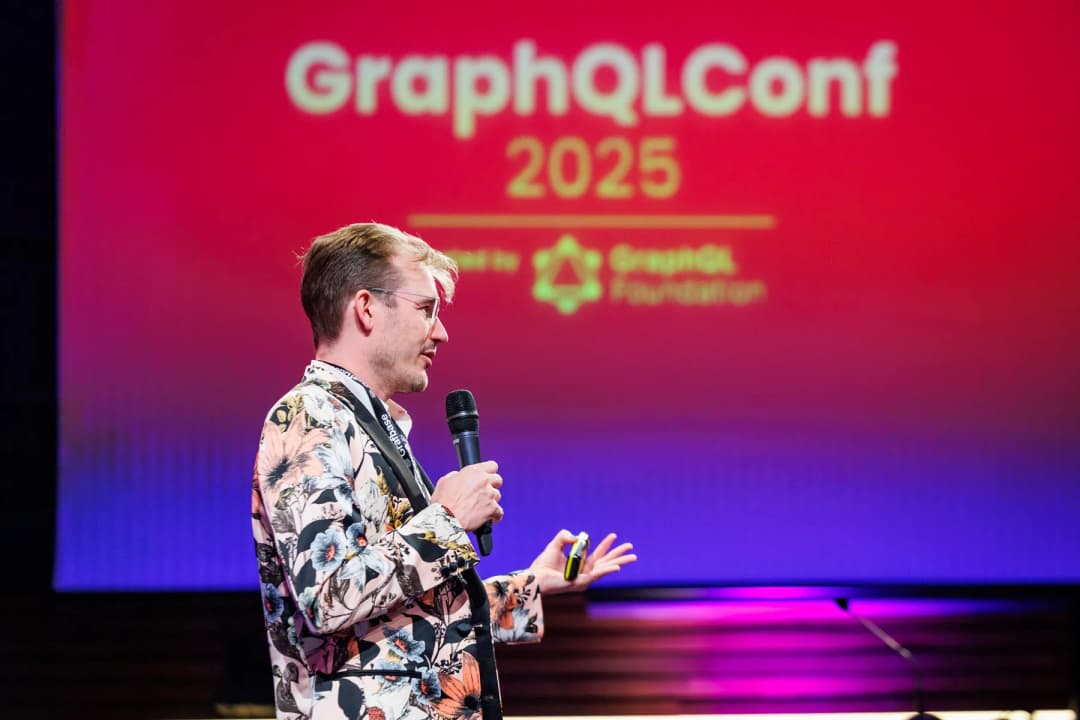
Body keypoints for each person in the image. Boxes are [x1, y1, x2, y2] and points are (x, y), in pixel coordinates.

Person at [251, 222, 636, 720]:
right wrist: (448, 519)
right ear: (366, 308)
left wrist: (531, 585)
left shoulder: (366, 422)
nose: (441, 331)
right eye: (425, 309)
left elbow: (403, 629)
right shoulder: (307, 416)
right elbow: (327, 598)